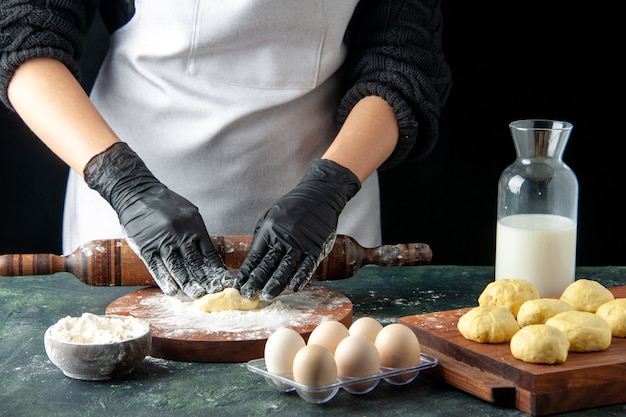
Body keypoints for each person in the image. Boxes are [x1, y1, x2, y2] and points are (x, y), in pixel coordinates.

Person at [0, 0, 451, 302]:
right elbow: (23, 38)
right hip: (126, 218)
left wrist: (332, 184)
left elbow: (403, 59)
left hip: (325, 221)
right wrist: (122, 182)